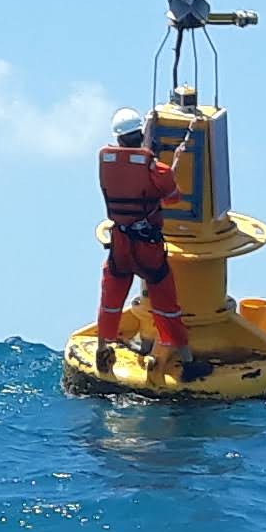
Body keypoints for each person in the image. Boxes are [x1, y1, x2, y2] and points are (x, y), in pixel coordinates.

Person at [92, 110, 198, 376]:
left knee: (111, 294)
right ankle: (186, 357)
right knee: (164, 298)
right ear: (140, 134)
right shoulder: (156, 169)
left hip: (121, 241)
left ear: (118, 139)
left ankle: (104, 346)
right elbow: (171, 197)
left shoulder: (107, 162)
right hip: (147, 245)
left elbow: (130, 172)